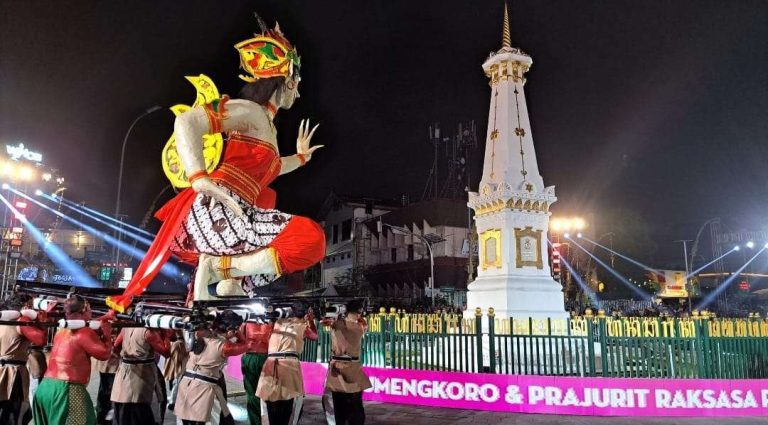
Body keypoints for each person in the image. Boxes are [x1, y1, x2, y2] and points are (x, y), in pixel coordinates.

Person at [108, 15, 325, 312]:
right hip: (219, 207)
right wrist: (199, 176)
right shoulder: (250, 111)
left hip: (241, 209)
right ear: (286, 79)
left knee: (292, 249)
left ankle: (224, 275)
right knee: (309, 237)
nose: (298, 92)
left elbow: (271, 169)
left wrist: (300, 158)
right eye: (297, 83)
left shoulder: (268, 128)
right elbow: (188, 121)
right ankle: (218, 270)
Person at [32, 295, 113, 425]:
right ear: (84, 309)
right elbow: (104, 354)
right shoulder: (84, 332)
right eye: (90, 309)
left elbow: (83, 331)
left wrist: (106, 317)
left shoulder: (62, 330)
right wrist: (107, 335)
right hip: (67, 390)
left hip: (46, 388)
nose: (91, 313)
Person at [174, 310, 248, 425]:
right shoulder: (226, 347)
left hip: (186, 383)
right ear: (231, 330)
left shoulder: (201, 333)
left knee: (188, 419)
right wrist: (236, 330)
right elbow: (245, 344)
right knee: (210, 420)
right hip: (204, 389)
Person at [256, 304, 317, 425]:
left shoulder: (278, 323)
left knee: (270, 404)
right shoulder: (302, 326)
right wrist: (310, 320)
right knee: (290, 406)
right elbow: (315, 336)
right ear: (305, 315)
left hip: (270, 364)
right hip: (289, 366)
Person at [321, 299, 371, 425]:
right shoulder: (360, 326)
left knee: (341, 410)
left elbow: (323, 321)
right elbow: (363, 323)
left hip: (339, 369)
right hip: (350, 368)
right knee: (354, 409)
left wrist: (336, 313)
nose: (359, 314)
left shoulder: (337, 324)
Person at [0, 294, 47, 425]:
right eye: (31, 306)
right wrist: (42, 324)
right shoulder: (21, 321)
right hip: (12, 373)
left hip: (4, 368)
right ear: (25, 307)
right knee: (13, 413)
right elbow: (40, 340)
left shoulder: (4, 319)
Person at [110, 325, 171, 425]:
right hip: (143, 374)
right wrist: (165, 335)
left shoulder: (125, 329)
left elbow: (115, 347)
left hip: (124, 372)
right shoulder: (148, 332)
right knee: (145, 408)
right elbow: (166, 353)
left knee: (125, 409)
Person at [240, 317, 273, 424]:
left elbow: (239, 338)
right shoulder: (273, 319)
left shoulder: (246, 319)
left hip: (254, 357)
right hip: (265, 357)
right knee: (267, 393)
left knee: (253, 393)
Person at [94, 335, 119, 425]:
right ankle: (104, 419)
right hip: (111, 358)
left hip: (111, 358)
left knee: (105, 391)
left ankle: (103, 418)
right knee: (108, 392)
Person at [162, 330, 188, 412]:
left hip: (179, 365)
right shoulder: (179, 343)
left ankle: (173, 402)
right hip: (179, 365)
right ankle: (173, 402)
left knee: (177, 382)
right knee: (177, 382)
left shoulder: (178, 343)